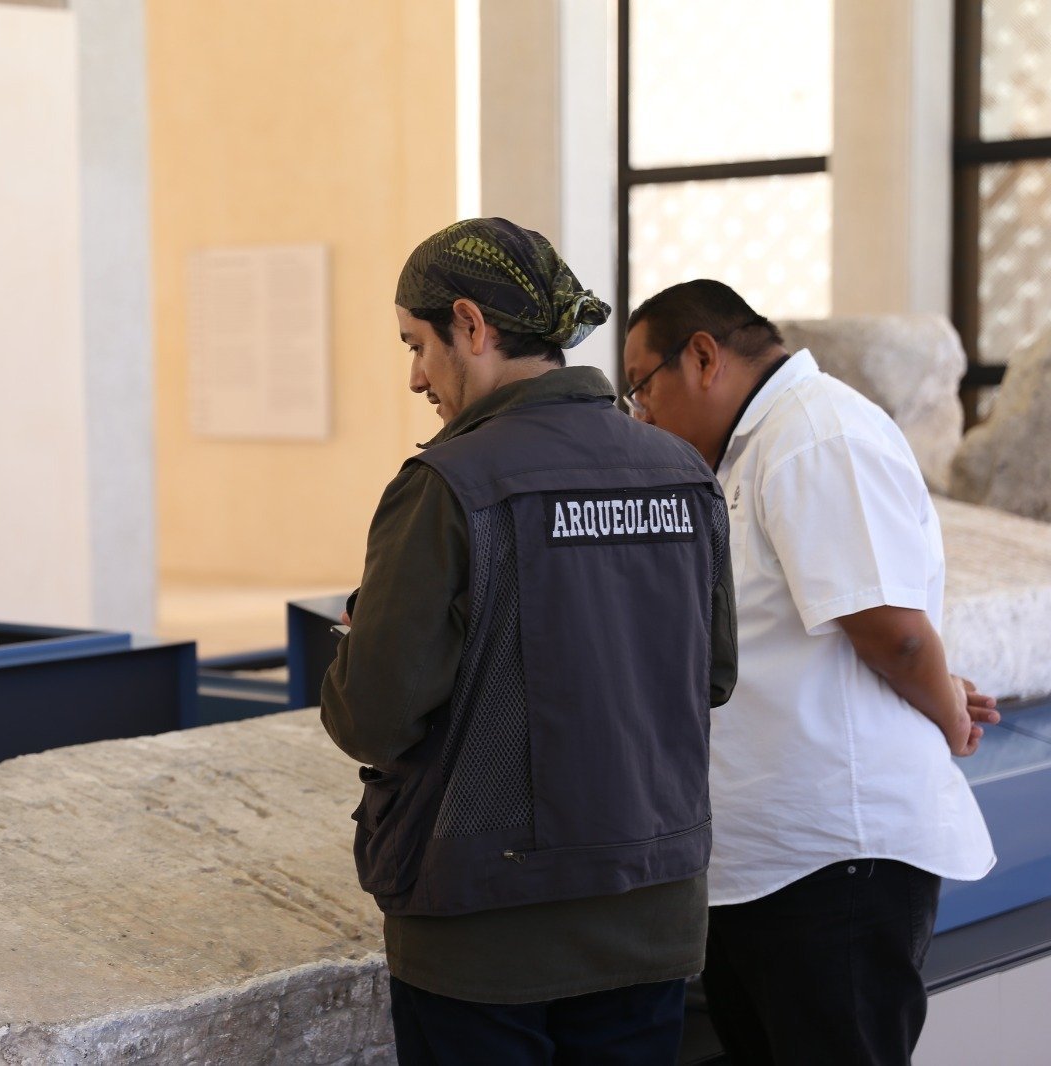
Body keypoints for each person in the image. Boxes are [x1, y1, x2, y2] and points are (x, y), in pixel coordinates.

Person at [320, 218, 736, 1065]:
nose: (415, 377)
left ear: (470, 325)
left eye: (417, 346)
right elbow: (713, 676)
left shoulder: (450, 484)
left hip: (484, 926)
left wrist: (360, 645)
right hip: (650, 906)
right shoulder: (682, 472)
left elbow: (374, 715)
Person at [621, 279, 999, 1065]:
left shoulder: (816, 434)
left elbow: (892, 634)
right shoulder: (751, 449)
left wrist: (948, 716)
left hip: (834, 868)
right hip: (767, 864)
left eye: (641, 386)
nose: (640, 413)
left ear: (703, 357)